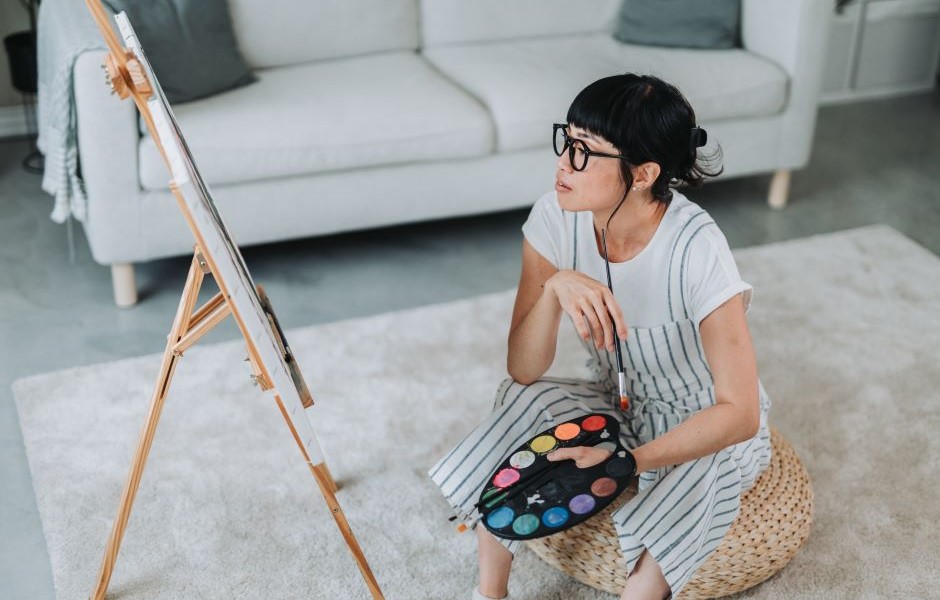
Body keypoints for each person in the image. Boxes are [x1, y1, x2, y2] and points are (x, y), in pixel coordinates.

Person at [428, 73, 772, 600]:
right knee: (523, 398)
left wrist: (626, 462)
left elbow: (740, 413)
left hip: (701, 415)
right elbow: (523, 368)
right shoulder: (554, 217)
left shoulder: (695, 247)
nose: (564, 163)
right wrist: (554, 287)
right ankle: (489, 593)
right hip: (616, 400)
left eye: (586, 151)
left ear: (643, 173)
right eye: (566, 141)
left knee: (702, 472)